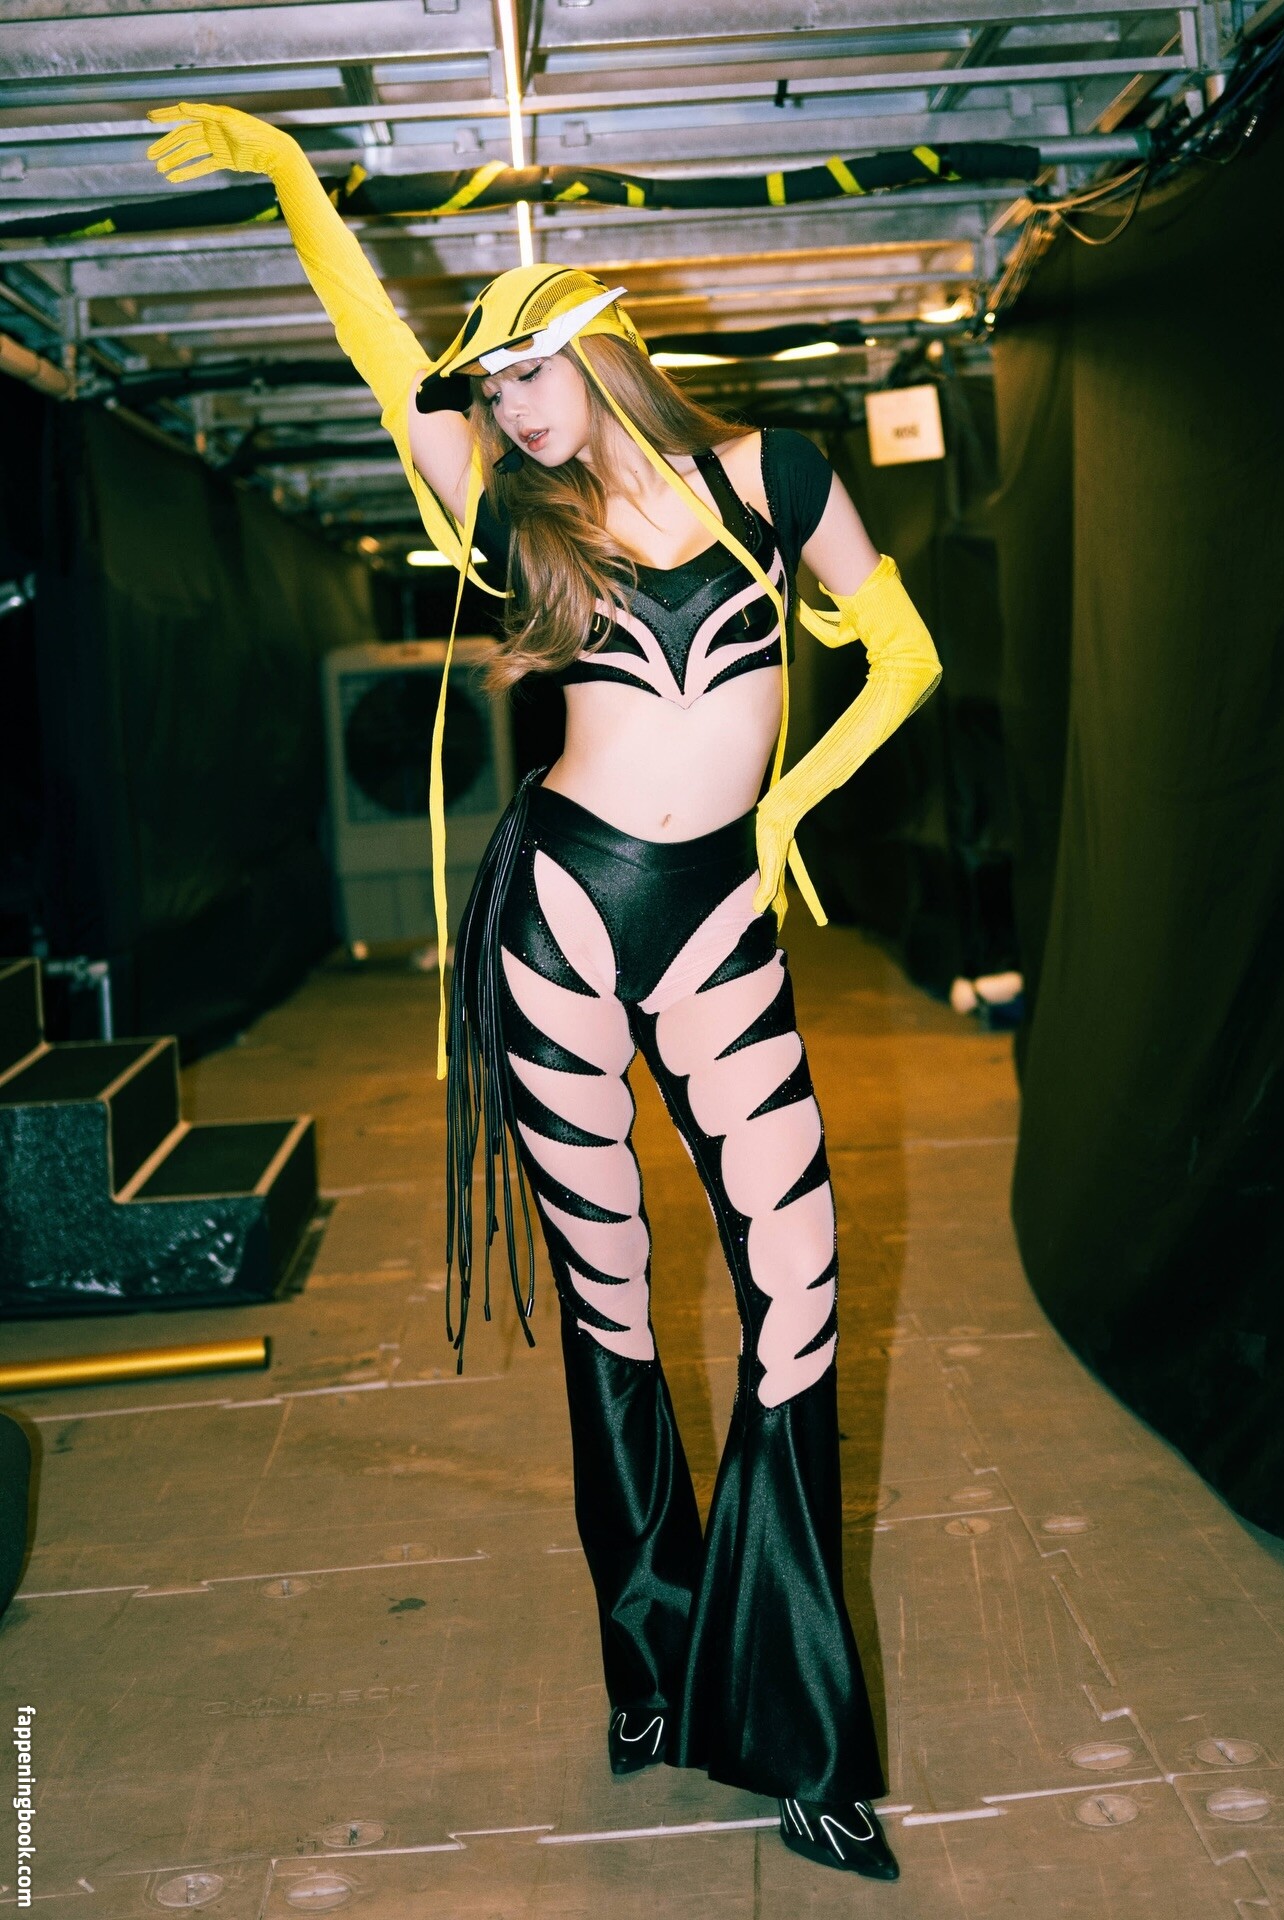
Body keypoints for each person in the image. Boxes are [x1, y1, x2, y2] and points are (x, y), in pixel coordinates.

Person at [147, 102, 941, 1883]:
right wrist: (298, 188)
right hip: (562, 918)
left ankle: (798, 1727)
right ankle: (649, 1669)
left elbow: (903, 652)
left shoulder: (774, 476)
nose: (508, 407)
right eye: (490, 389)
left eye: (526, 373)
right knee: (613, 1299)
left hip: (720, 917)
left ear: (599, 348)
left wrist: (793, 802)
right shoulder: (514, 513)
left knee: (796, 1292)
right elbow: (385, 361)